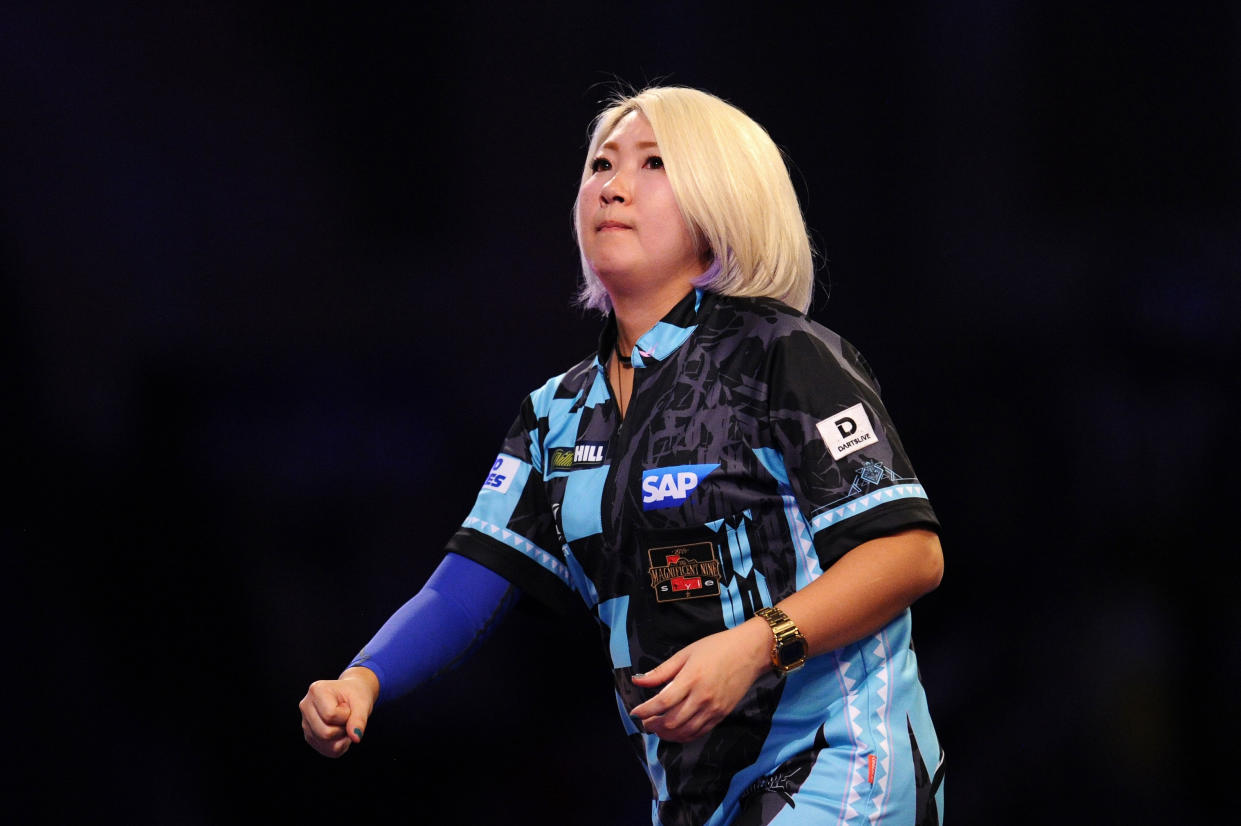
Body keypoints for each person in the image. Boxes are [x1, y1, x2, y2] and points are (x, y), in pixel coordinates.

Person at [300, 86, 946, 825]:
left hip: (843, 763)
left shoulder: (784, 357)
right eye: (600, 164)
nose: (612, 184)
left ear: (722, 202)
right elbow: (463, 588)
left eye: (653, 163)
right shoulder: (555, 414)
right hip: (691, 799)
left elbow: (908, 554)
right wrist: (363, 679)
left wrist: (756, 647)